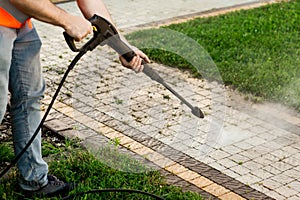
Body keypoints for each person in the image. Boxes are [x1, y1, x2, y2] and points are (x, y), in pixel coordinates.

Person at [0, 0, 150, 197]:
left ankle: (34, 179)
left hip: (18, 20)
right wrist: (66, 19)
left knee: (30, 97)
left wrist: (121, 45)